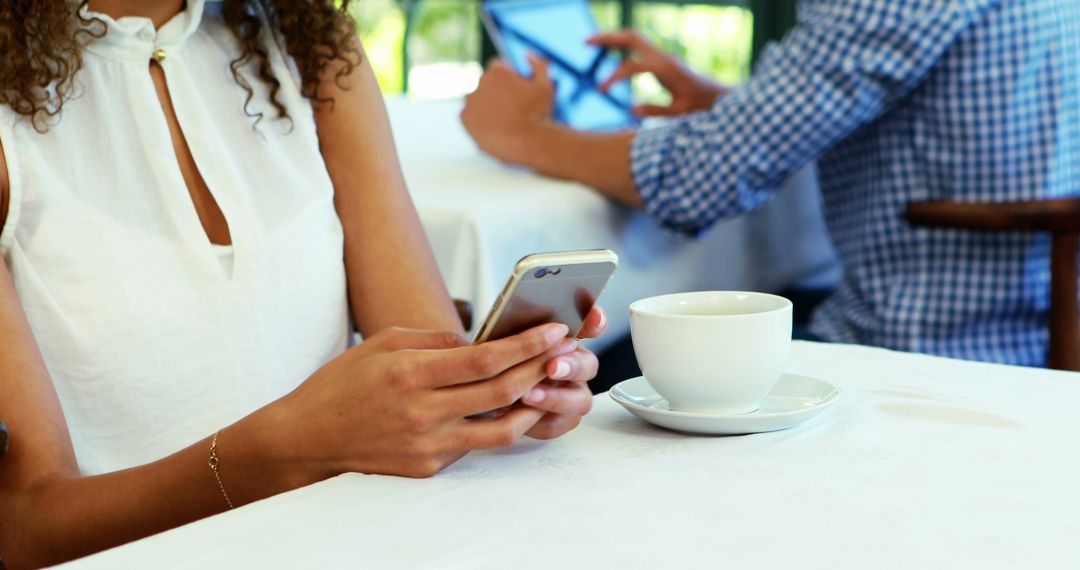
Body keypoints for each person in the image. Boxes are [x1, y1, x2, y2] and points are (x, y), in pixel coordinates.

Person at [0, 0, 607, 566]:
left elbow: (429, 363)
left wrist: (504, 393)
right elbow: (24, 526)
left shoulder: (308, 44)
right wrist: (290, 448)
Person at [462, 0, 1080, 366]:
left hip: (938, 347)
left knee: (587, 367)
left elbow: (701, 178)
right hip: (1034, 321)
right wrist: (737, 107)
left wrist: (520, 135)